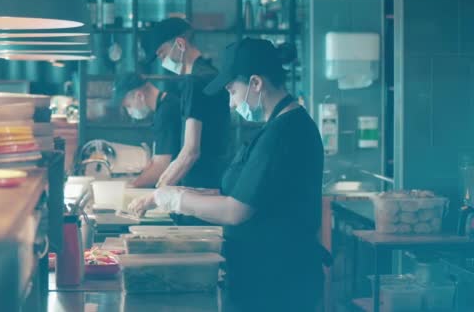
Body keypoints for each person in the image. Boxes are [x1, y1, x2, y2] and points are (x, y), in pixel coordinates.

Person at [129, 38, 328, 311]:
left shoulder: (284, 134)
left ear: (256, 83)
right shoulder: (274, 128)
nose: (232, 104)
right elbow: (238, 195)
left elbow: (236, 210)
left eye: (233, 91)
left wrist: (175, 200)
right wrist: (173, 194)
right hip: (263, 277)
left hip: (279, 284)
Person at [143, 18, 231, 225]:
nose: (162, 60)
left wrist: (157, 194)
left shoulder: (194, 81)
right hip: (216, 183)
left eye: (162, 54)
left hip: (198, 188)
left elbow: (190, 151)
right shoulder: (212, 75)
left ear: (180, 44)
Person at [113, 73, 181, 188]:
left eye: (128, 106)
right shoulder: (165, 106)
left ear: (139, 96)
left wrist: (132, 185)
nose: (129, 112)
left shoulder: (166, 113)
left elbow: (161, 166)